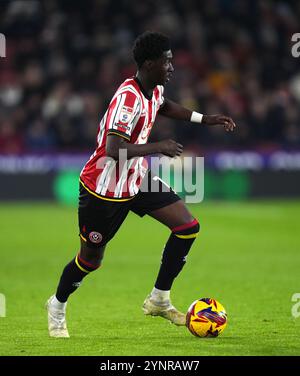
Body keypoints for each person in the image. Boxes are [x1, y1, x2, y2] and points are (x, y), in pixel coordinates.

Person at [46, 31, 236, 338]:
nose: (172, 67)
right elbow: (113, 149)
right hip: (103, 189)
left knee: (187, 226)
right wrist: (157, 146)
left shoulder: (154, 89)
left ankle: (159, 299)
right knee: (90, 260)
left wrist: (206, 119)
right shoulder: (127, 98)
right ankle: (57, 304)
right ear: (149, 64)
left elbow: (165, 106)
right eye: (167, 61)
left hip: (137, 178)